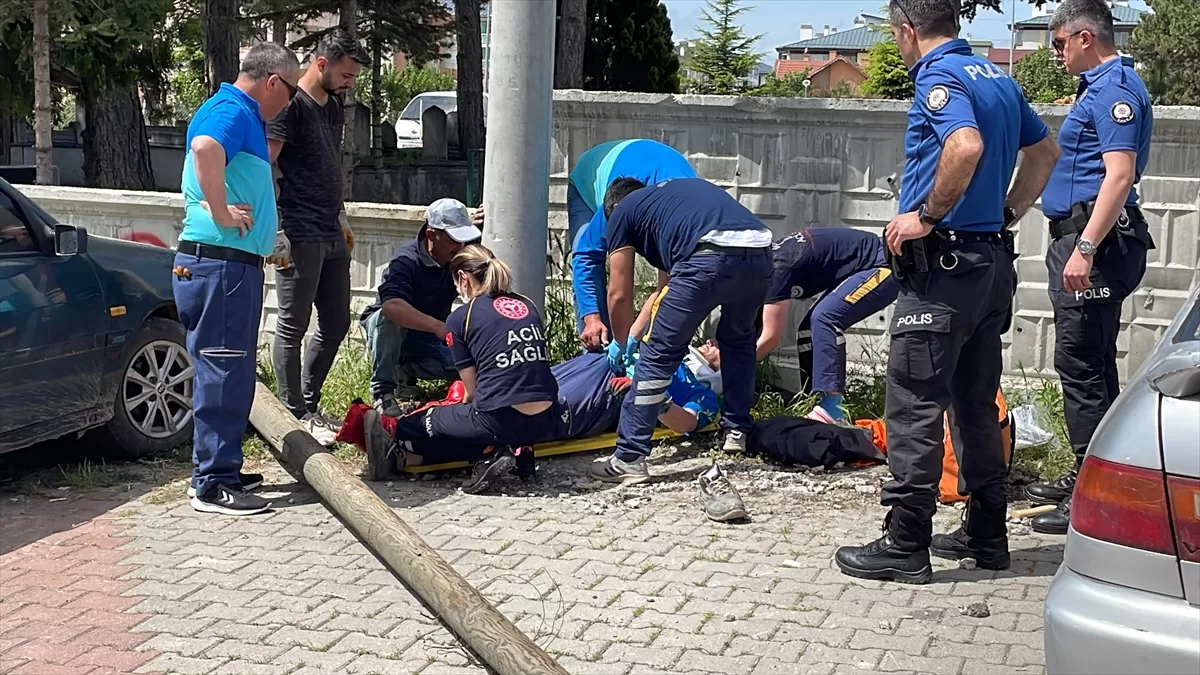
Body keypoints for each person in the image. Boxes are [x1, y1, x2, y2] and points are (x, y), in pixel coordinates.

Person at [833, 0, 1060, 583]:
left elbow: (964, 146)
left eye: (893, 33)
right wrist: (1009, 211)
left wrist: (926, 217)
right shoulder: (998, 78)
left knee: (913, 404)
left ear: (907, 30)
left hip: (942, 272)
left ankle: (906, 543)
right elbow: (1046, 153)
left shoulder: (940, 75)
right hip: (987, 267)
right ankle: (989, 535)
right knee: (976, 405)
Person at [1025, 0, 1155, 536]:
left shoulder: (1113, 91)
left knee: (1080, 363)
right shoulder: (1098, 87)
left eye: (1058, 43)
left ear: (1085, 38)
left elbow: (1118, 176)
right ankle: (1096, 476)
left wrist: (1084, 247)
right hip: (1086, 241)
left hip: (1095, 247)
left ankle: (1092, 494)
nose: (1054, 53)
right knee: (1094, 362)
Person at [593, 177, 773, 523]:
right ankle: (737, 431)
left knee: (658, 354)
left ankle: (629, 457)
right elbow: (667, 286)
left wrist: (621, 342)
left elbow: (618, 292)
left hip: (708, 258)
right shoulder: (674, 200)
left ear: (613, 209)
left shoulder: (623, 212)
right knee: (738, 341)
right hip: (760, 254)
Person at [173, 43, 301, 516]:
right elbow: (205, 150)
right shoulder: (233, 110)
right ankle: (212, 483)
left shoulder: (234, 110)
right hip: (221, 265)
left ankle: (220, 465)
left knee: (227, 369)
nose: (289, 101)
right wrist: (223, 212)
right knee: (224, 371)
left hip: (223, 264)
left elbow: (202, 166)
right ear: (272, 82)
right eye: (289, 91)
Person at [361, 244, 571, 494]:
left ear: (463, 278)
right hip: (547, 419)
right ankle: (521, 452)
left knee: (421, 424)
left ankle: (483, 452)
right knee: (489, 416)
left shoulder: (462, 317)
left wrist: (447, 410)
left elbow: (472, 393)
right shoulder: (528, 304)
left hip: (501, 419)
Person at [267, 30, 367, 445]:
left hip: (329, 227)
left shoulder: (334, 107)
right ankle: (292, 415)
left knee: (338, 320)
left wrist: (341, 214)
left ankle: (308, 402)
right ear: (321, 64)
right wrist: (274, 229)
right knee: (292, 323)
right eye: (345, 75)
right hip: (298, 229)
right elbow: (266, 167)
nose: (350, 83)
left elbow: (328, 164)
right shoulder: (289, 107)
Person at [744, 227, 899, 423]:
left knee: (825, 318)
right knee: (808, 329)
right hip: (861, 265)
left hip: (884, 263)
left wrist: (731, 371)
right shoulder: (762, 265)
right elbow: (751, 326)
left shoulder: (776, 269)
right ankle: (813, 400)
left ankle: (833, 409)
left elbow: (770, 337)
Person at [567, 139, 697, 351]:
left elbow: (667, 287)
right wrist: (592, 318)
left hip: (646, 168)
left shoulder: (683, 219)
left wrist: (633, 338)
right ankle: (593, 358)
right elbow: (586, 256)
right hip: (589, 177)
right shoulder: (620, 203)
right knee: (592, 266)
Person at [360, 199, 481, 416]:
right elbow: (391, 307)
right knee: (390, 319)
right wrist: (438, 326)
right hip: (393, 333)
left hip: (428, 339)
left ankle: (404, 373)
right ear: (431, 235)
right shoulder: (406, 261)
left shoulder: (458, 252)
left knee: (474, 366)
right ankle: (383, 393)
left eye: (463, 239)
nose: (460, 247)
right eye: (454, 239)